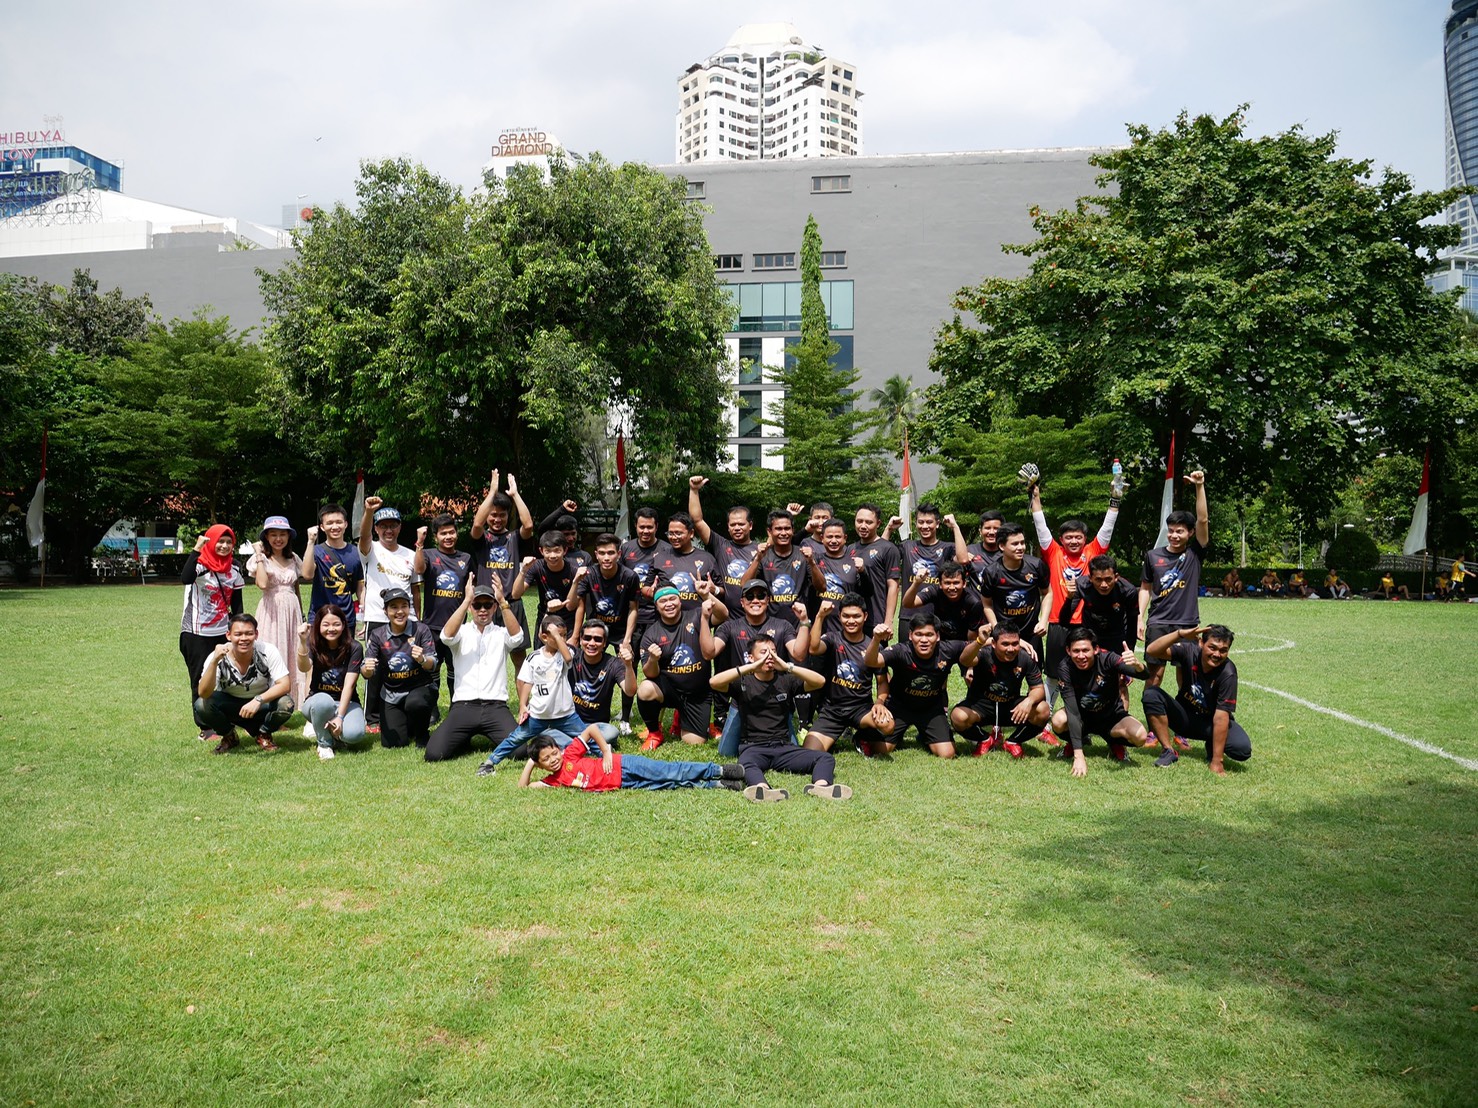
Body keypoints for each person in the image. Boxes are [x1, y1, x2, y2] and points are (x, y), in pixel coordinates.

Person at [710, 633, 850, 802]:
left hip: (783, 748)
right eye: (763, 652)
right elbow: (714, 682)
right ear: (751, 657)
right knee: (745, 764)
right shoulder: (742, 683)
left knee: (825, 758)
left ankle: (821, 787)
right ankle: (763, 789)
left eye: (773, 651)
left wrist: (787, 666)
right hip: (754, 748)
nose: (770, 656)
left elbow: (819, 682)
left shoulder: (786, 681)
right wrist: (750, 667)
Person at [1024, 462, 1120, 706]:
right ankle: (1044, 717)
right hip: (1058, 622)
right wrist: (1035, 495)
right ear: (1061, 539)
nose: (1074, 541)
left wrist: (1115, 500)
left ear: (1085, 539)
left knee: (1086, 671)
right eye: (1069, 537)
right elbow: (1040, 525)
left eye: (1078, 537)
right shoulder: (1053, 552)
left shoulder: (1093, 552)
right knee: (1053, 674)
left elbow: (1107, 528)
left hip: (1087, 623)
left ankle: (1084, 713)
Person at [424, 579, 525, 763]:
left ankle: (472, 737)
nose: (482, 610)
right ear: (471, 608)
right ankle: (463, 737)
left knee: (520, 752)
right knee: (434, 753)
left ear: (494, 608)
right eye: (477, 605)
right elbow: (445, 636)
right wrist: (465, 601)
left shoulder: (501, 633)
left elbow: (517, 637)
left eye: (488, 605)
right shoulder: (462, 632)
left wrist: (503, 601)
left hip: (495, 707)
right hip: (464, 706)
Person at [477, 613, 586, 773]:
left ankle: (608, 757)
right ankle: (490, 762)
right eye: (557, 636)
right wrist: (523, 705)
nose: (561, 639)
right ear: (544, 637)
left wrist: (556, 635)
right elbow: (526, 682)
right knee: (515, 738)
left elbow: (569, 659)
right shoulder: (533, 658)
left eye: (564, 635)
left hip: (565, 714)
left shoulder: (565, 652)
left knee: (587, 738)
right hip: (538, 714)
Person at [702, 580, 805, 750]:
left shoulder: (782, 626)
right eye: (749, 596)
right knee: (726, 753)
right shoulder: (730, 627)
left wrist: (804, 622)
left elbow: (799, 654)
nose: (755, 600)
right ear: (742, 602)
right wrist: (705, 618)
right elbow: (709, 653)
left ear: (768, 600)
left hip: (776, 700)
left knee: (790, 751)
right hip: (744, 699)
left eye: (761, 596)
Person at [1142, 624, 1251, 775]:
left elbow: (1221, 717)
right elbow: (1152, 650)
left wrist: (1217, 761)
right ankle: (1168, 751)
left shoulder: (1228, 672)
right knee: (1151, 694)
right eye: (1212, 648)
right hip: (1184, 718)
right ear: (1201, 643)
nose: (1217, 654)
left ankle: (1212, 746)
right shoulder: (1189, 651)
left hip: (1209, 724)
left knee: (1242, 749)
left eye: (1223, 650)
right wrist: (1179, 634)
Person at [864, 615, 976, 758]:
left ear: (937, 636)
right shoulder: (901, 651)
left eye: (929, 635)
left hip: (931, 709)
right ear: (910, 635)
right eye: (918, 634)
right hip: (899, 706)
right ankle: (895, 735)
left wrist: (981, 641)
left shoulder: (948, 649)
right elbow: (871, 661)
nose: (924, 640)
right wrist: (876, 639)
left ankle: (925, 735)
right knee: (880, 749)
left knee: (947, 754)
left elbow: (973, 647)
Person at [1048, 627, 1153, 777]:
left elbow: (1145, 675)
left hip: (1110, 718)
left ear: (1096, 649)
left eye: (1085, 650)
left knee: (1140, 736)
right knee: (1058, 721)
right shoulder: (1065, 668)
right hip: (1082, 718)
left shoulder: (1108, 658)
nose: (1081, 656)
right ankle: (1077, 741)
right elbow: (1072, 711)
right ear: (1068, 651)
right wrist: (1079, 756)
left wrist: (1138, 665)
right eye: (1076, 651)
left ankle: (1115, 742)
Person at [1138, 469, 1210, 685]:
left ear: (1190, 533)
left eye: (1180, 531)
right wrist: (1139, 617)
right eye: (1171, 531)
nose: (1174, 535)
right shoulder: (1153, 556)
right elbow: (1145, 588)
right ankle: (1151, 706)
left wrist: (1199, 486)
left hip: (1187, 622)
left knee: (1186, 677)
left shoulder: (1195, 554)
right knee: (1155, 675)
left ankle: (1184, 708)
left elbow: (1203, 519)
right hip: (1158, 621)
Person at [518, 726, 747, 791]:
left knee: (669, 771)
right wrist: (530, 762)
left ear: (559, 749)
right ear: (541, 765)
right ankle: (717, 784)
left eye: (554, 753)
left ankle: (717, 770)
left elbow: (591, 729)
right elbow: (523, 787)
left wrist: (606, 752)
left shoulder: (569, 754)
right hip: (624, 783)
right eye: (546, 759)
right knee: (667, 784)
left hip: (624, 764)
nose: (553, 759)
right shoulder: (553, 780)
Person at [805, 595, 895, 756]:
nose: (851, 621)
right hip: (833, 710)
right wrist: (820, 616)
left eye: (856, 616)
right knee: (810, 752)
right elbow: (813, 648)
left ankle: (861, 736)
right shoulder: (832, 638)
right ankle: (832, 737)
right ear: (839, 616)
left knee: (888, 726)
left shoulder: (873, 646)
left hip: (861, 709)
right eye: (846, 616)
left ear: (865, 616)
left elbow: (882, 682)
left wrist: (880, 702)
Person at [359, 496, 419, 732]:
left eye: (393, 525)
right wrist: (368, 512)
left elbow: (415, 590)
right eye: (383, 526)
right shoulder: (371, 549)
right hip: (376, 617)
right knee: (374, 668)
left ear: (400, 527)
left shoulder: (410, 555)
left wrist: (417, 618)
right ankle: (372, 718)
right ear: (376, 529)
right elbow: (363, 536)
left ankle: (404, 711)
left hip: (406, 619)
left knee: (404, 665)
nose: (388, 530)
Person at [179, 524, 245, 741]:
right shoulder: (200, 565)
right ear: (211, 541)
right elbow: (185, 577)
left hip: (222, 632)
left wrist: (238, 629)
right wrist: (197, 549)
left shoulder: (234, 568)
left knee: (226, 678)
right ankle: (205, 727)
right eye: (220, 541)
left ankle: (225, 720)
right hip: (196, 633)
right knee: (200, 679)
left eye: (228, 542)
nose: (224, 546)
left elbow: (237, 602)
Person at [195, 613, 294, 754]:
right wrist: (214, 661)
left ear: (256, 634)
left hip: (261, 704)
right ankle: (229, 736)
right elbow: (203, 693)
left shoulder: (268, 651)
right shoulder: (217, 656)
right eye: (238, 634)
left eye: (249, 634)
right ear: (228, 635)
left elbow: (285, 684)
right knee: (201, 704)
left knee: (286, 703)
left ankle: (264, 733)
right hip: (230, 704)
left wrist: (258, 700)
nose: (243, 639)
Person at [950, 625, 1051, 758]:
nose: (1011, 649)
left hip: (1011, 707)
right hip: (981, 705)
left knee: (1043, 710)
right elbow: (964, 660)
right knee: (958, 716)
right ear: (993, 643)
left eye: (1015, 644)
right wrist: (979, 641)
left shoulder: (1025, 657)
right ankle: (985, 740)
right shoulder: (984, 653)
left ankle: (1013, 742)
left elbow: (1038, 688)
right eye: (1005, 644)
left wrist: (1029, 701)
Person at [636, 586, 718, 749]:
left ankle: (680, 717)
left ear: (680, 600)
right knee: (645, 689)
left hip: (697, 694)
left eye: (672, 599)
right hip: (670, 690)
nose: (669, 604)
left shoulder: (697, 615)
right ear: (656, 606)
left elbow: (723, 615)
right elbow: (650, 674)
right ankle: (654, 732)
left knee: (694, 742)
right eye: (663, 601)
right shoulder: (651, 634)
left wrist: (707, 596)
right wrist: (653, 659)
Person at [470, 469, 536, 666]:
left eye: (502, 515)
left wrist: (515, 495)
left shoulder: (514, 538)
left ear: (508, 515)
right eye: (493, 515)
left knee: (519, 659)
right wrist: (492, 492)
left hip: (511, 603)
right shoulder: (482, 539)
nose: (497, 520)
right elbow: (477, 524)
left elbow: (528, 525)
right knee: (485, 658)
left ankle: (522, 690)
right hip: (486, 604)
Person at [361, 587, 437, 749]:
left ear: (409, 608)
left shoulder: (421, 629)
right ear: (385, 611)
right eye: (394, 607)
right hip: (391, 694)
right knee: (393, 743)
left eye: (404, 606)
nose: (400, 611)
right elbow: (365, 671)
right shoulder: (378, 635)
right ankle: (407, 723)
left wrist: (423, 659)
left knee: (415, 703)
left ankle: (422, 734)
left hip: (419, 688)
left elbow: (433, 663)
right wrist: (367, 669)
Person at [246, 515, 308, 714]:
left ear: (289, 537)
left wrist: (301, 613)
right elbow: (263, 584)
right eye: (273, 534)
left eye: (282, 534)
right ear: (266, 537)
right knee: (272, 654)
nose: (278, 539)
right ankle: (267, 707)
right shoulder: (261, 559)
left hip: (292, 611)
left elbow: (297, 586)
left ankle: (285, 706)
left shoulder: (293, 558)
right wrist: (258, 554)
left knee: (291, 653)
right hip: (271, 612)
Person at [618, 506, 674, 724]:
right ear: (636, 526)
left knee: (659, 664)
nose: (645, 531)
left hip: (658, 618)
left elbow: (670, 584)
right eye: (642, 527)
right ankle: (625, 715)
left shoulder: (667, 549)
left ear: (656, 527)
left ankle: (658, 713)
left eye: (650, 527)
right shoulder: (626, 549)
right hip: (632, 617)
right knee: (628, 663)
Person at [415, 512, 473, 708]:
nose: (448, 537)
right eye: (443, 533)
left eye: (451, 532)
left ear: (457, 533)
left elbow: (470, 587)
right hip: (431, 625)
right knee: (432, 668)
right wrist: (419, 544)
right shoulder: (429, 554)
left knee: (455, 668)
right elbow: (419, 569)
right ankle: (432, 709)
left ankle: (456, 707)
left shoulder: (465, 558)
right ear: (436, 536)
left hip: (457, 627)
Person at [296, 605, 367, 759]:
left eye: (336, 624)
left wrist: (340, 717)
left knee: (354, 735)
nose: (331, 629)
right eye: (326, 625)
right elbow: (304, 667)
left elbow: (349, 685)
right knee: (323, 702)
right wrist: (302, 641)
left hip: (346, 702)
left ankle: (335, 735)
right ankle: (324, 743)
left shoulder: (354, 647)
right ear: (318, 626)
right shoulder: (313, 644)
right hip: (317, 702)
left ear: (344, 625)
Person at [979, 522, 1051, 658]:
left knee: (1033, 668)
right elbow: (986, 604)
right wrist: (997, 630)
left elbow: (1047, 593)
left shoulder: (1036, 565)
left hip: (1031, 632)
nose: (1020, 547)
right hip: (1004, 635)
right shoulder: (991, 572)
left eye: (1022, 543)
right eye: (1015, 544)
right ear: (1002, 546)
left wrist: (1043, 621)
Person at [688, 475, 759, 612]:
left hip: (755, 615)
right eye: (733, 525)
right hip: (727, 617)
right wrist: (694, 490)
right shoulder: (721, 545)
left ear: (750, 525)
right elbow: (697, 521)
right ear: (728, 527)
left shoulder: (760, 551)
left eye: (741, 524)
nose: (737, 528)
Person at [890, 503, 965, 624]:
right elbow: (881, 554)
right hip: (908, 615)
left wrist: (955, 527)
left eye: (929, 522)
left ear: (937, 523)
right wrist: (889, 529)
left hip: (937, 616)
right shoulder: (907, 546)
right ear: (916, 524)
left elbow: (963, 560)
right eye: (921, 522)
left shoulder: (948, 548)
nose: (925, 526)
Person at [568, 620, 639, 743]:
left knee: (612, 732)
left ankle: (577, 742)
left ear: (605, 643)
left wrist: (628, 665)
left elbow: (630, 691)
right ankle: (589, 743)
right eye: (587, 638)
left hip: (598, 726)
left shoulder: (613, 664)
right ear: (580, 640)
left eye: (598, 639)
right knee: (548, 732)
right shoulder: (571, 657)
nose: (591, 643)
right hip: (571, 721)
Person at [301, 502, 364, 636]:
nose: (335, 527)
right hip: (319, 618)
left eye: (339, 522)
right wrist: (310, 542)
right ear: (322, 527)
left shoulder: (356, 552)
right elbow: (307, 574)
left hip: (346, 618)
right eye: (329, 523)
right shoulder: (316, 551)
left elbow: (360, 588)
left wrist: (364, 615)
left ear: (346, 524)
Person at [571, 533, 640, 653]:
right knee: (591, 659)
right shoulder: (588, 575)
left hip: (621, 629)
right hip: (596, 626)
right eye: (602, 553)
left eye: (611, 553)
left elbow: (633, 609)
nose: (606, 558)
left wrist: (627, 639)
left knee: (627, 659)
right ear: (596, 555)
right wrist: (575, 636)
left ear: (619, 554)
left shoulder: (630, 576)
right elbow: (579, 606)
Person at [741, 509, 810, 624]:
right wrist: (757, 559)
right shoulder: (763, 556)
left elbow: (822, 587)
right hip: (768, 624)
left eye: (787, 528)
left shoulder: (803, 555)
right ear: (769, 532)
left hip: (798, 623)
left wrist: (812, 563)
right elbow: (744, 584)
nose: (783, 533)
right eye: (778, 529)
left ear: (793, 530)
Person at [806, 518, 869, 636]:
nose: (833, 541)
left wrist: (863, 572)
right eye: (829, 537)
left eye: (838, 537)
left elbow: (867, 592)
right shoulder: (813, 560)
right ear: (822, 538)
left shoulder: (854, 563)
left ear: (845, 538)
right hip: (816, 629)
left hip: (844, 631)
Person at [511, 532, 580, 635]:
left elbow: (571, 606)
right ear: (541, 551)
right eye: (548, 551)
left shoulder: (573, 571)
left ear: (565, 550)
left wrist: (575, 582)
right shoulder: (537, 567)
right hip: (544, 617)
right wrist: (523, 570)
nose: (552, 556)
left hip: (567, 620)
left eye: (557, 551)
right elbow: (515, 594)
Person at [901, 560, 985, 643]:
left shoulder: (974, 602)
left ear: (964, 584)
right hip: (939, 640)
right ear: (940, 584)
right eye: (947, 583)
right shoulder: (935, 591)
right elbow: (907, 604)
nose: (952, 587)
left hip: (962, 643)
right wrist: (916, 583)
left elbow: (971, 638)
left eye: (956, 583)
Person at [849, 503, 902, 631]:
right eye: (859, 521)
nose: (863, 526)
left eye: (869, 522)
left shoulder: (889, 549)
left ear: (878, 524)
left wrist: (888, 621)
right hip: (852, 619)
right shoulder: (850, 549)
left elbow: (893, 586)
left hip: (876, 620)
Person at [653, 511, 716, 613]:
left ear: (691, 533)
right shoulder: (659, 558)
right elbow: (647, 589)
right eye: (670, 533)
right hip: (668, 619)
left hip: (699, 618)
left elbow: (722, 591)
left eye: (678, 533)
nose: (674, 537)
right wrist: (651, 592)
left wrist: (715, 590)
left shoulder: (707, 558)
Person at [964, 511, 1004, 591]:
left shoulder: (1008, 552)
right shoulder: (970, 550)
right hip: (976, 598)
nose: (991, 532)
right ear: (980, 531)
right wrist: (961, 559)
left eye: (996, 528)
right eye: (987, 528)